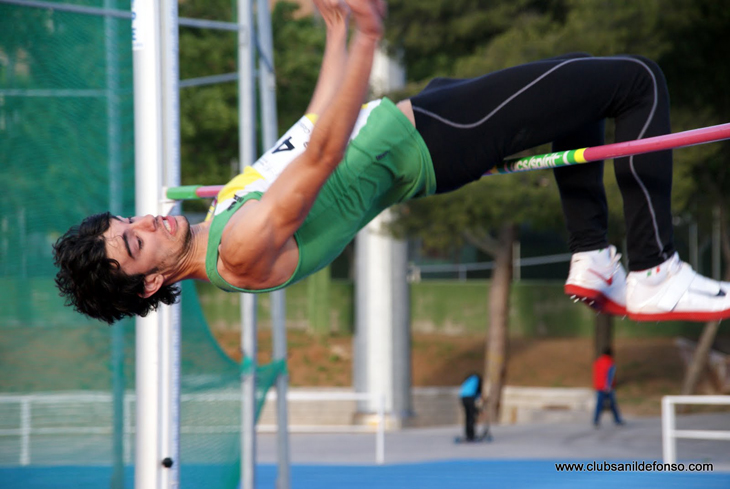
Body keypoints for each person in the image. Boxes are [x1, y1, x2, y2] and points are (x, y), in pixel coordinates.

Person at [53, 0, 730, 325]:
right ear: (148, 285)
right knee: (636, 81)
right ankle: (653, 269)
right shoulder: (240, 251)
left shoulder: (219, 217)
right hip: (433, 140)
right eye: (135, 241)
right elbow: (320, 158)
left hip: (424, 120)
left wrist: (337, 32)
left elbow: (308, 128)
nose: (146, 220)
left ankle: (592, 253)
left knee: (573, 105)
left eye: (126, 220)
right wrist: (370, 40)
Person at [592, 347, 624, 427]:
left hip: (599, 387)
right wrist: (608, 386)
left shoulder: (598, 361)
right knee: (612, 404)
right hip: (608, 388)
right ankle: (617, 420)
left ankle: (596, 421)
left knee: (599, 404)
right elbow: (610, 375)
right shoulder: (610, 362)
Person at [458, 372, 483, 442]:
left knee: (467, 416)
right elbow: (478, 391)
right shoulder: (477, 379)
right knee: (472, 417)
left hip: (462, 397)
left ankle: (468, 434)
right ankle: (471, 435)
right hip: (470, 397)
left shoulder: (468, 379)